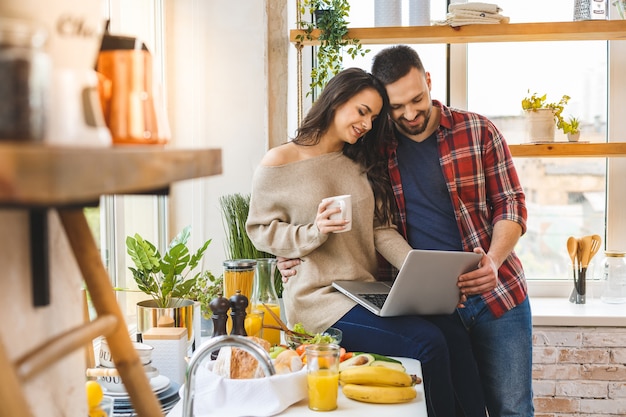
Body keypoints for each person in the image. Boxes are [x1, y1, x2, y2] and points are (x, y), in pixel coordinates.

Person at [279, 45, 533, 417]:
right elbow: (326, 204)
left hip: (496, 293)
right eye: (397, 107)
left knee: (512, 409)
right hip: (424, 303)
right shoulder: (370, 150)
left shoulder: (478, 130)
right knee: (455, 403)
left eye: (417, 99)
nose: (410, 113)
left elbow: (511, 204)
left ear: (429, 81)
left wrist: (493, 261)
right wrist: (295, 251)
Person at [245, 67, 482, 417]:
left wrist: (424, 272)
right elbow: (260, 229)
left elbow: (379, 230)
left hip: (364, 290)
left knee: (454, 333)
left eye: (373, 117)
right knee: (428, 344)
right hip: (318, 301)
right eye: (362, 111)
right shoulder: (280, 160)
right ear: (337, 99)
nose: (367, 125)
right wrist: (313, 232)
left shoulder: (358, 162)